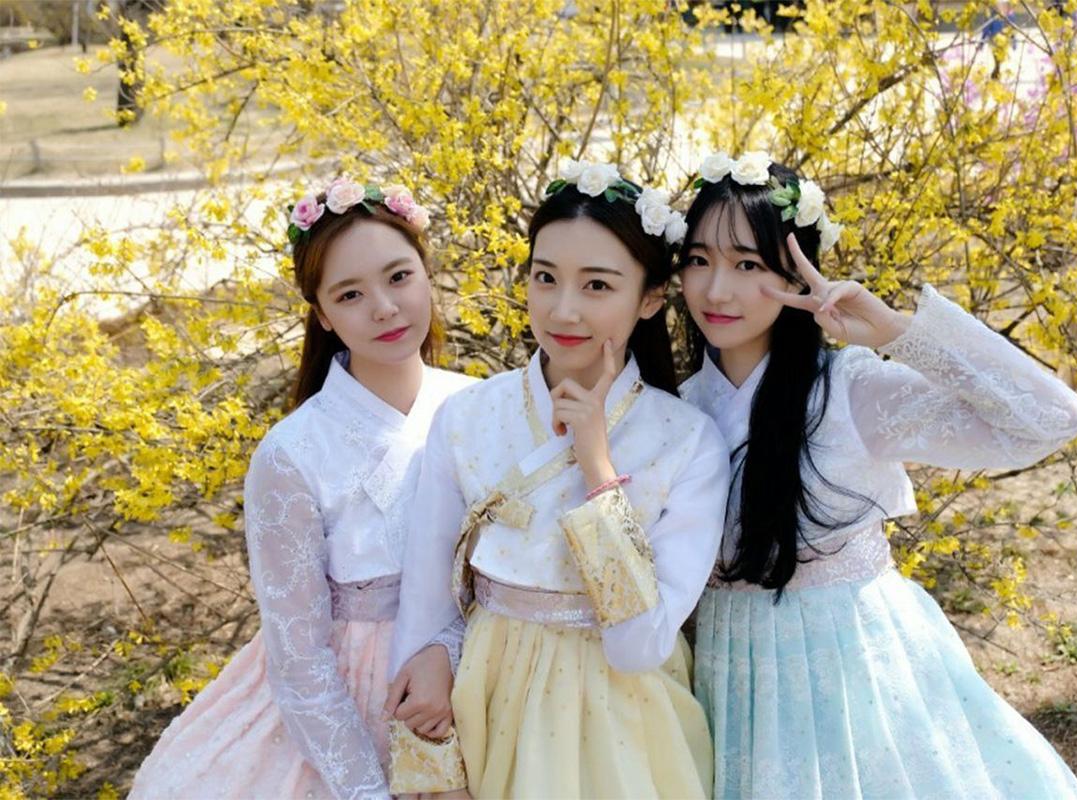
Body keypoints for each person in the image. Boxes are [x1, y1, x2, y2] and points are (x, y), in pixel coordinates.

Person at [677, 152, 1077, 799]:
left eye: (747, 265)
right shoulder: (677, 410)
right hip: (730, 678)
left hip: (857, 674)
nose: (716, 290)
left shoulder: (848, 390)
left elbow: (1051, 420)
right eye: (698, 260)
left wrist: (897, 332)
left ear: (795, 272)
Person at [386, 161, 730, 798]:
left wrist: (598, 470)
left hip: (624, 719)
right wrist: (430, 694)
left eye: (597, 285)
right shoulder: (465, 417)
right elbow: (427, 598)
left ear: (651, 298)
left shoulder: (688, 441)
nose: (563, 309)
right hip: (486, 696)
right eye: (545, 277)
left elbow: (638, 645)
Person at [130, 179, 473, 800]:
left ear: (427, 275)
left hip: (479, 682)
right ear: (322, 315)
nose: (384, 308)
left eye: (399, 277)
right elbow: (299, 659)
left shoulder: (481, 407)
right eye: (350, 294)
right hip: (347, 715)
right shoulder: (293, 453)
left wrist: (448, 650)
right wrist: (367, 792)